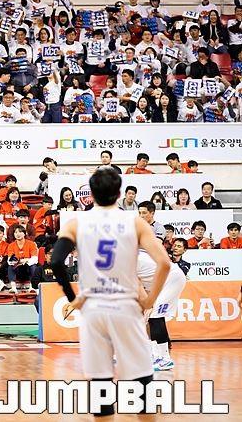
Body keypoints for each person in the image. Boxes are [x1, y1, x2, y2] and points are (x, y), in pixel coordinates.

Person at [50, 168, 171, 416]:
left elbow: (56, 262)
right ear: (119, 193)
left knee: (101, 387)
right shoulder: (135, 222)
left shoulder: (76, 223)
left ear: (91, 194)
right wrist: (150, 300)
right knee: (143, 387)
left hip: (93, 308)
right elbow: (165, 263)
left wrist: (73, 299)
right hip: (125, 306)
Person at [136, 202, 186, 371]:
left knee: (155, 316)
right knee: (153, 317)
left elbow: (139, 288)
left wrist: (147, 304)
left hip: (172, 279)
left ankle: (164, 359)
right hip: (160, 281)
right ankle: (155, 354)